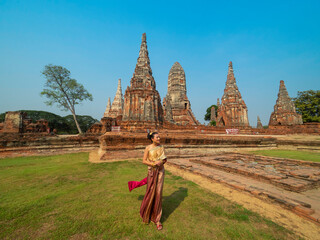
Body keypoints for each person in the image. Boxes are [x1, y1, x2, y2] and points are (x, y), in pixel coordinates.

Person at [139, 131, 167, 230]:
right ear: (152, 138)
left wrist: (161, 162)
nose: (159, 139)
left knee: (158, 193)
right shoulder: (148, 148)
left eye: (159, 137)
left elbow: (164, 159)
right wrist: (153, 164)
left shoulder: (161, 147)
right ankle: (148, 213)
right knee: (151, 192)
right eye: (157, 137)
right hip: (152, 171)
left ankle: (157, 219)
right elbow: (144, 161)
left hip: (160, 172)